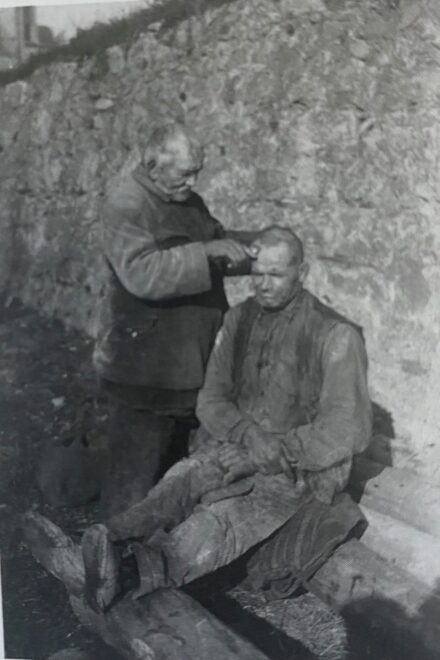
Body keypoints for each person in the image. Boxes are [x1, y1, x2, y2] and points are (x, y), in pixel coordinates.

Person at [24, 226, 372, 612]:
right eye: (257, 273)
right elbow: (211, 399)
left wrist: (266, 453)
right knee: (180, 480)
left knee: (222, 519)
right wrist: (244, 435)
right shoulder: (239, 319)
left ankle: (131, 574)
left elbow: (348, 429)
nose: (264, 284)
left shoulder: (335, 336)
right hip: (236, 445)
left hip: (298, 466)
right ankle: (105, 538)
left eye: (276, 275)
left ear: (302, 273)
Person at [92, 121, 258, 515]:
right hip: (145, 368)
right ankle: (110, 555)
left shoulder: (188, 202)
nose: (194, 180)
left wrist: (257, 246)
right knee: (133, 477)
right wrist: (209, 252)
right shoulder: (126, 205)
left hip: (190, 363)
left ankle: (163, 556)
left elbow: (216, 244)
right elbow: (143, 273)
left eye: (197, 170)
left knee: (177, 473)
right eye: (186, 172)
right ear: (153, 166)